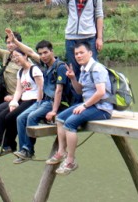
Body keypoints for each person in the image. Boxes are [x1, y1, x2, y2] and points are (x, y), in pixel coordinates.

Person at [49, 41, 112, 175]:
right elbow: (80, 91)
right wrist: (72, 78)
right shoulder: (84, 69)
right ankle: (61, 151)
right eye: (76, 54)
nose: (78, 56)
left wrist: (84, 105)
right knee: (60, 118)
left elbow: (101, 92)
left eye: (81, 53)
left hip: (101, 108)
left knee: (70, 123)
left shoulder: (97, 69)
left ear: (90, 53)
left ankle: (70, 161)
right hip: (89, 105)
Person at [11, 37, 74, 164]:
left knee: (31, 117)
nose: (43, 56)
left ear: (52, 51)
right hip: (44, 101)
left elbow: (59, 91)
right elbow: (29, 52)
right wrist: (15, 41)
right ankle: (23, 150)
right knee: (20, 118)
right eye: (40, 54)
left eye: (45, 52)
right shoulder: (45, 65)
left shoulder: (60, 67)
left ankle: (28, 150)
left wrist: (54, 111)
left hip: (55, 103)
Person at [45, 0, 105, 75]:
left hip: (89, 37)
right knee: (74, 71)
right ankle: (76, 88)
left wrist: (99, 38)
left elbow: (99, 15)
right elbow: (49, 3)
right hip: (71, 38)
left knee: (92, 71)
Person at [0, 48, 43, 160]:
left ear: (25, 55)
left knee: (11, 117)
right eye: (13, 57)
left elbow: (41, 88)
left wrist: (39, 104)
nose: (15, 59)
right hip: (24, 99)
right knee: (1, 116)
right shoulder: (20, 72)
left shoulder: (34, 70)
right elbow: (18, 90)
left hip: (33, 100)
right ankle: (3, 145)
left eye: (17, 56)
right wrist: (14, 102)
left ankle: (12, 144)